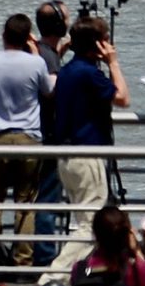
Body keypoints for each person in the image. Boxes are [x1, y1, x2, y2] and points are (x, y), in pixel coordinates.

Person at [0, 17, 53, 265]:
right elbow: (48, 91)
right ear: (29, 36)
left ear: (3, 35)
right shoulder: (37, 63)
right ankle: (23, 260)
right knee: (25, 203)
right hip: (29, 137)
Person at [50, 19, 123, 227]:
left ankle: (86, 261)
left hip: (67, 157)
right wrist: (113, 63)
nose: (110, 45)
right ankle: (62, 262)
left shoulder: (67, 70)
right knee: (91, 226)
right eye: (106, 40)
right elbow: (123, 98)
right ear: (97, 45)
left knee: (85, 221)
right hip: (87, 156)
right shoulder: (89, 73)